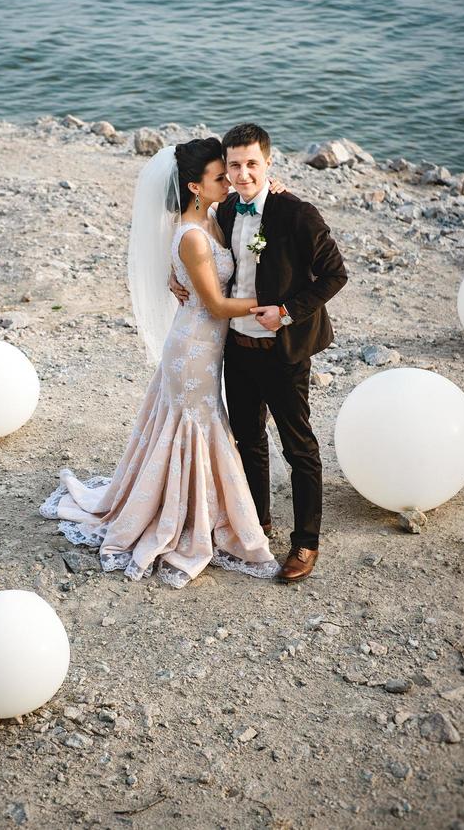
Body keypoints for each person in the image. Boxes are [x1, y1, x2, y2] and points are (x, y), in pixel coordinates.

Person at [40, 137, 288, 588]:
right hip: (194, 346)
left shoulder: (213, 216)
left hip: (202, 346)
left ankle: (201, 508)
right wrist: (277, 303)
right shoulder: (192, 237)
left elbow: (246, 209)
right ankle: (188, 518)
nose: (230, 180)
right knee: (197, 425)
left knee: (196, 425)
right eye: (220, 176)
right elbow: (214, 304)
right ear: (195, 186)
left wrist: (274, 189)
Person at [170, 123, 348, 582]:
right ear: (225, 170)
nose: (243, 173)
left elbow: (334, 275)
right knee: (248, 439)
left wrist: (287, 310)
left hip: (284, 350)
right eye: (235, 165)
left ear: (269, 163)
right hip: (236, 349)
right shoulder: (224, 210)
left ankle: (306, 542)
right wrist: (176, 278)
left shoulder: (297, 214)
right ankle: (258, 522)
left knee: (299, 446)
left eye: (252, 164)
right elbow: (192, 245)